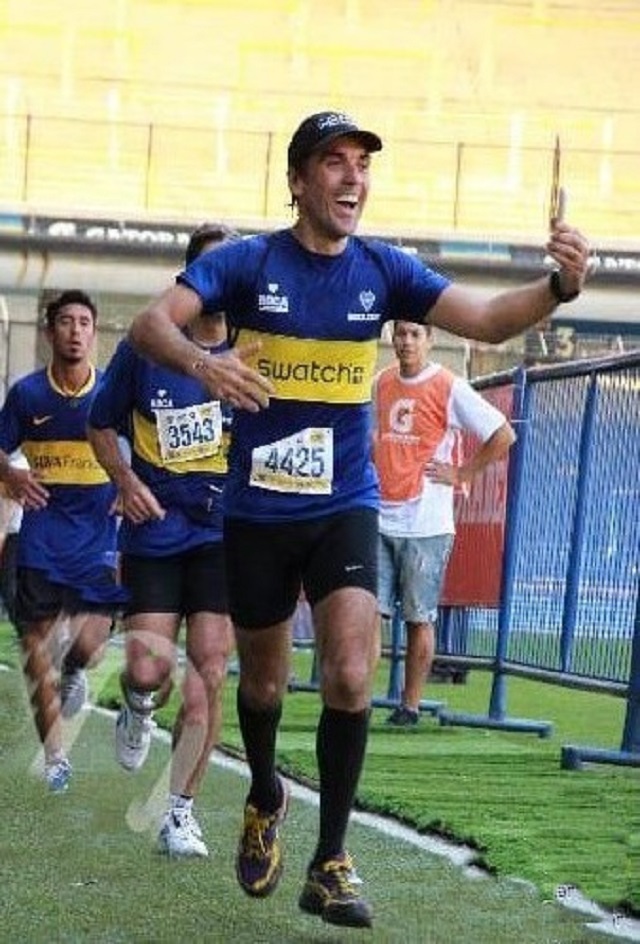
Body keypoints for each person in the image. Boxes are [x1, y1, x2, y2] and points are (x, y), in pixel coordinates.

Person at [124, 111, 590, 929]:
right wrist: (206, 364)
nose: (352, 178)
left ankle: (330, 860)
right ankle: (264, 792)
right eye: (334, 162)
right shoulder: (245, 263)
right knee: (263, 684)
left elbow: (485, 317)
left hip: (344, 503)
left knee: (347, 673)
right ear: (298, 181)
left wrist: (558, 288)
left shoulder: (384, 269)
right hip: (258, 510)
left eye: (362, 165)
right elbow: (149, 323)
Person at [87, 224, 237, 858]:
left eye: (233, 269)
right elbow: (99, 423)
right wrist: (125, 482)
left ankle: (180, 813)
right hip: (156, 527)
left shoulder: (257, 346)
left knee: (209, 668)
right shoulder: (146, 347)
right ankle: (139, 703)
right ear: (189, 279)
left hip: (224, 531)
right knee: (148, 667)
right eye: (211, 270)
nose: (222, 282)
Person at [0, 290, 126, 793]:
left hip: (97, 540)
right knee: (36, 646)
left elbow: (146, 445)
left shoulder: (113, 392)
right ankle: (55, 759)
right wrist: (11, 474)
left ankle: (75, 670)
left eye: (84, 322)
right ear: (50, 331)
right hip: (42, 540)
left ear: (94, 332)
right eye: (66, 322)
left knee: (89, 647)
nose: (76, 331)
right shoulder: (27, 395)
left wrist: (131, 486)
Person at [373, 320, 516, 726]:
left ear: (430, 340)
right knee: (367, 614)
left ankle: (410, 706)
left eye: (415, 334)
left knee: (418, 617)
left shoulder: (448, 385)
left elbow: (503, 434)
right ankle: (357, 699)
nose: (406, 341)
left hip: (427, 523)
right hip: (381, 516)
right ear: (391, 337)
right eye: (400, 333)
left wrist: (463, 473)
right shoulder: (381, 383)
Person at [0, 449, 28, 625]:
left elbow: (6, 516)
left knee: (9, 585)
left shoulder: (17, 465)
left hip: (13, 532)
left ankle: (25, 627)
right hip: (10, 530)